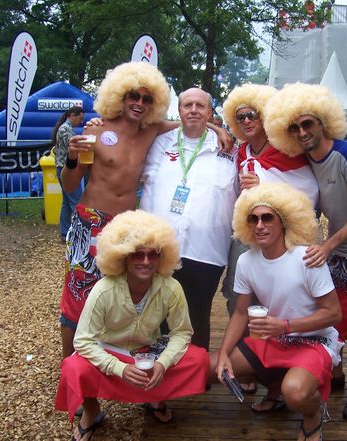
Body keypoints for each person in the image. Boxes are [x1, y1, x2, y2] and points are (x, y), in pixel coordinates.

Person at [264, 83, 347, 421]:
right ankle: (336, 371)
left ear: (323, 122)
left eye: (308, 124)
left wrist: (329, 244)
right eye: (295, 127)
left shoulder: (346, 153)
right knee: (334, 311)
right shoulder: (304, 158)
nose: (302, 132)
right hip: (336, 243)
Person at [55, 210, 209, 440]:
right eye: (137, 254)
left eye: (153, 254)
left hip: (148, 352)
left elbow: (182, 332)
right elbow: (83, 340)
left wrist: (163, 364)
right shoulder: (103, 289)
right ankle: (91, 411)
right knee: (73, 367)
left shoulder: (171, 287)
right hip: (110, 350)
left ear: (162, 257)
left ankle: (154, 399)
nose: (146, 261)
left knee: (200, 359)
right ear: (123, 256)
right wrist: (119, 368)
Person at [210, 182, 342, 441]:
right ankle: (274, 388)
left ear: (283, 221)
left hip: (314, 341)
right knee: (211, 366)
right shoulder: (246, 260)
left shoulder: (307, 258)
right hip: (274, 339)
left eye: (267, 217)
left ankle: (312, 414)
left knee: (295, 393)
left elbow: (334, 313)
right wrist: (225, 353)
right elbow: (240, 313)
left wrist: (286, 326)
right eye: (253, 219)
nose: (259, 225)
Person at [58, 61, 173, 360]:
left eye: (147, 99)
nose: (139, 103)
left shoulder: (152, 130)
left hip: (125, 227)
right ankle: (69, 366)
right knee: (78, 296)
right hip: (91, 222)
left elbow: (190, 123)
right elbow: (69, 184)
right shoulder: (97, 129)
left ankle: (106, 360)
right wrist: (72, 157)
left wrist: (219, 130)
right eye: (133, 96)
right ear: (119, 96)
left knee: (116, 297)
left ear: (155, 103)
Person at [221, 83, 319, 397]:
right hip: (246, 236)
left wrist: (265, 182)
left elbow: (309, 193)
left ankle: (276, 382)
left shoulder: (285, 149)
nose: (247, 121)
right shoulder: (240, 151)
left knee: (274, 301)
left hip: (279, 238)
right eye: (240, 117)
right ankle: (248, 366)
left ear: (265, 117)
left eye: (253, 115)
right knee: (238, 299)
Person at [139, 87, 238, 351]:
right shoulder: (160, 141)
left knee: (197, 315)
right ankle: (161, 373)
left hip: (206, 250)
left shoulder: (229, 148)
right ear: (179, 110)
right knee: (158, 313)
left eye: (200, 106)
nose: (193, 110)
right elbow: (132, 125)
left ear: (210, 112)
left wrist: (219, 131)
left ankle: (195, 374)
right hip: (159, 247)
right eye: (187, 105)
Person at [51, 106, 85, 242]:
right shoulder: (66, 130)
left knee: (66, 202)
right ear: (72, 115)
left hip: (61, 167)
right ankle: (79, 232)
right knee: (76, 201)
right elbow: (74, 149)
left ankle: (64, 232)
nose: (81, 122)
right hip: (67, 169)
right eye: (80, 118)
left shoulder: (64, 128)